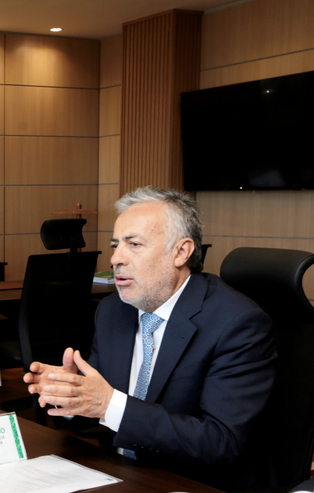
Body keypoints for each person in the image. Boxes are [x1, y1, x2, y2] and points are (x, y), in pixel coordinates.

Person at [24, 186, 275, 488]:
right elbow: (99, 409)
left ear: (181, 252)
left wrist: (108, 404)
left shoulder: (236, 323)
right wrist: (70, 394)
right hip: (121, 474)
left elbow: (221, 442)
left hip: (192, 483)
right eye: (115, 245)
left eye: (134, 244)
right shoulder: (113, 311)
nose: (116, 258)